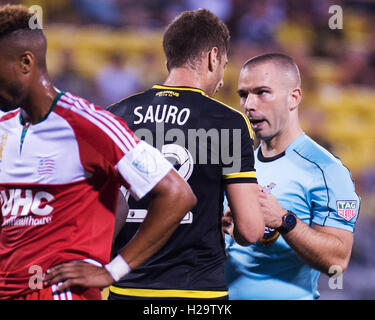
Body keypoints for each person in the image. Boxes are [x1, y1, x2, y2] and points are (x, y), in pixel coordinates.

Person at [0, 4, 196, 300]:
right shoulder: (3, 127)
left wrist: (111, 269)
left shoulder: (90, 126)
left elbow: (177, 194)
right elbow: (116, 202)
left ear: (25, 63)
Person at [107, 8, 264, 300]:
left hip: (126, 288)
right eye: (224, 65)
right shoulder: (226, 121)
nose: (221, 79)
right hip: (199, 293)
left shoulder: (116, 116)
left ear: (169, 58)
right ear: (212, 57)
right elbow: (251, 231)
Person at [224, 53, 360, 300]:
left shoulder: (328, 171)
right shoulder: (241, 165)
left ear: (293, 97)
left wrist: (284, 220)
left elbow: (338, 261)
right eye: (243, 95)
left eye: (262, 92)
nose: (249, 105)